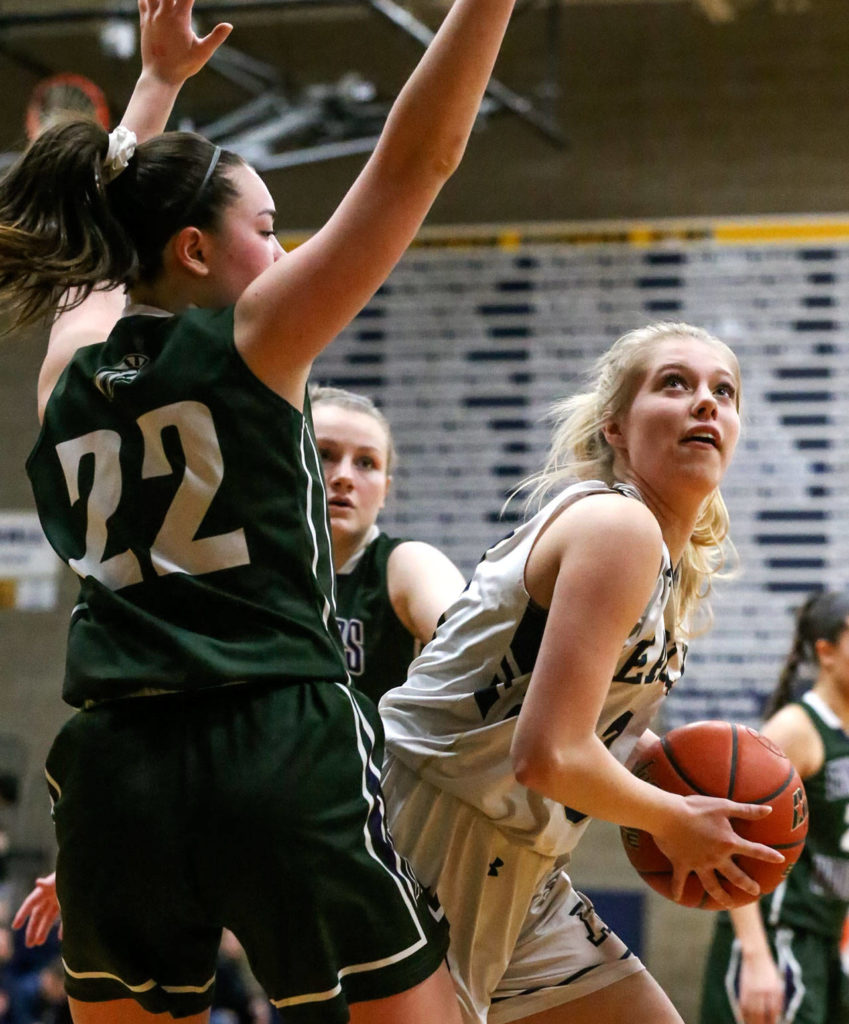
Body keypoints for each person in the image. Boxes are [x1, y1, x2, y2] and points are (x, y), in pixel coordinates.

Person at [0, 0, 520, 1016]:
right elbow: (420, 157)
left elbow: (110, 237)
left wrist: (156, 88)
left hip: (112, 765)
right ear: (195, 250)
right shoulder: (257, 337)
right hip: (273, 737)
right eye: (269, 228)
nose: (284, 253)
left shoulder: (67, 364)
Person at [377, 321, 787, 1024]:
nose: (705, 402)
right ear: (616, 428)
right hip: (433, 832)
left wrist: (659, 763)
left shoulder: (664, 565)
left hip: (521, 859)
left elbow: (579, 731)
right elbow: (546, 754)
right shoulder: (616, 528)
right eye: (674, 384)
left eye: (724, 391)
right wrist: (672, 817)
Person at [699, 590, 849, 1024]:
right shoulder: (795, 730)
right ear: (826, 653)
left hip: (822, 942)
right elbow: (727, 844)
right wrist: (756, 956)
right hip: (775, 938)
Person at [310, 385, 465, 704]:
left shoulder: (409, 564)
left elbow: (477, 655)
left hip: (378, 753)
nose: (344, 477)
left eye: (366, 463)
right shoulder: (248, 563)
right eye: (324, 454)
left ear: (385, 491)